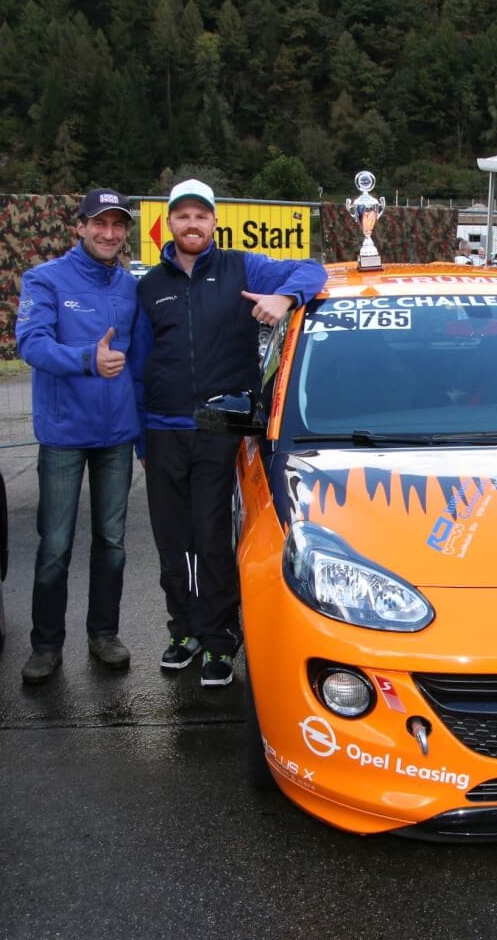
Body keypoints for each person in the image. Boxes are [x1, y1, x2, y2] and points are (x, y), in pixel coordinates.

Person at [131, 179, 327, 688]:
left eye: (201, 216)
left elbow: (313, 270)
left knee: (213, 535)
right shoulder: (150, 285)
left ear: (215, 222)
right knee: (172, 540)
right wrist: (139, 438)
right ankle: (184, 631)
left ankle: (219, 639)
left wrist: (285, 298)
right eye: (182, 217)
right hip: (162, 429)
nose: (192, 225)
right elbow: (138, 364)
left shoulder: (243, 266)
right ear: (168, 225)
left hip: (219, 427)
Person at [15, 188, 140, 684]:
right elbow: (32, 343)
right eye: (99, 223)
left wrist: (146, 431)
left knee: (112, 542)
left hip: (117, 436)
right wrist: (88, 359)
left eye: (117, 225)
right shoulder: (44, 279)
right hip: (64, 435)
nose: (109, 233)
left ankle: (103, 635)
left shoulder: (130, 285)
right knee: (55, 544)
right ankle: (46, 646)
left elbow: (142, 360)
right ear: (80, 227)